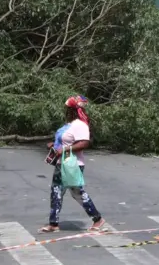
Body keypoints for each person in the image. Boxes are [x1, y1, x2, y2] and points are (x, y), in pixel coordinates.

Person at [39, 95, 105, 233]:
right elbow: (65, 140)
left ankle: (97, 219)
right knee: (56, 191)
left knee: (77, 193)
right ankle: (53, 223)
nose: (66, 111)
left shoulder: (81, 125)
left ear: (74, 110)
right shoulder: (69, 125)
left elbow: (84, 143)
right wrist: (54, 144)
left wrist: (65, 149)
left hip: (73, 164)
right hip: (61, 162)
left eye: (68, 109)